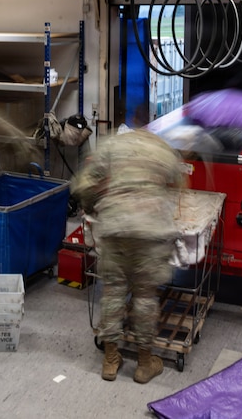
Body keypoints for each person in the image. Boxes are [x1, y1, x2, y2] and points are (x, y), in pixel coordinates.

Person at [69, 128, 189, 383]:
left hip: (116, 227)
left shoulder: (112, 144)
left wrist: (94, 207)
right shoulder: (163, 149)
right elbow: (179, 184)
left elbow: (86, 184)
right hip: (149, 230)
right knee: (145, 295)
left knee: (113, 291)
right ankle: (145, 364)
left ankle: (111, 361)